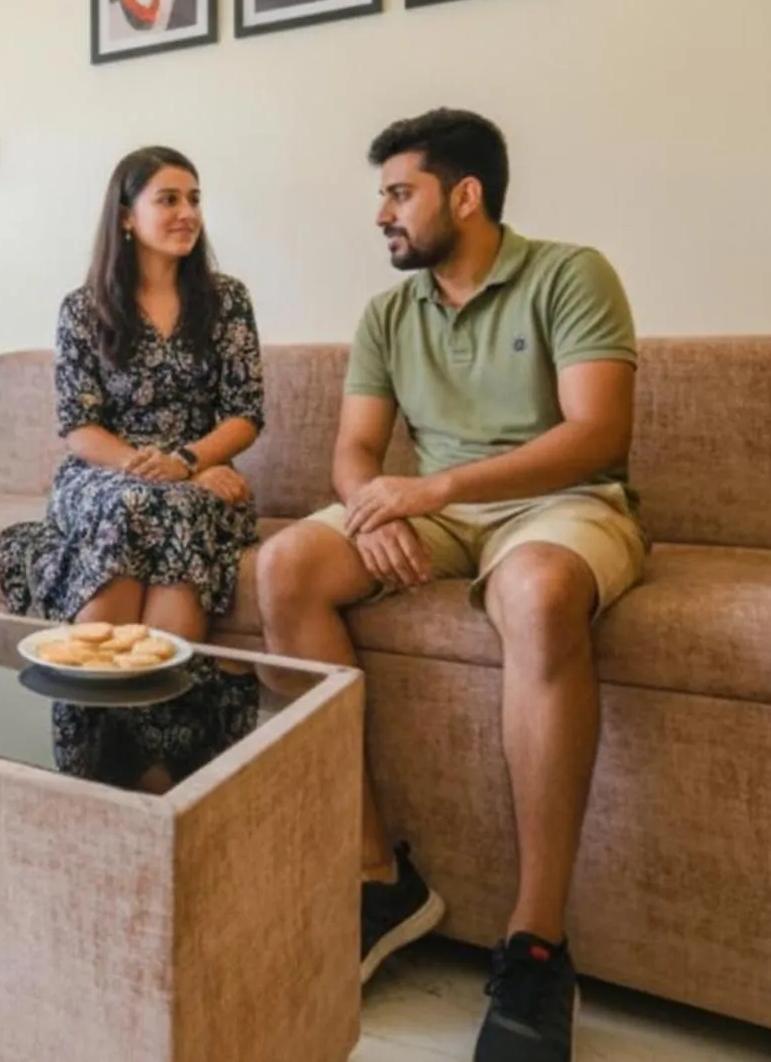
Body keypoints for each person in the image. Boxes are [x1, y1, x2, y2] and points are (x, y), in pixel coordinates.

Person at [256, 110, 646, 1062]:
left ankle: (537, 942)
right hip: (435, 509)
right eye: (382, 195)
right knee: (284, 565)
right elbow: (353, 453)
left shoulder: (571, 274)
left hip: (559, 503)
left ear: (464, 195)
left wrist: (434, 487)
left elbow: (597, 433)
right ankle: (377, 874)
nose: (382, 214)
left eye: (399, 192)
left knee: (541, 595)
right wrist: (377, 508)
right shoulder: (390, 312)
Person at [0, 146, 266, 782]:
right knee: (140, 502)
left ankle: (149, 764)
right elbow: (79, 429)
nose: (187, 213)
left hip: (197, 473)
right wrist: (159, 469)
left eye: (194, 199)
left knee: (180, 507)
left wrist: (191, 461)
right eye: (168, 199)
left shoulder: (227, 301)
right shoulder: (84, 308)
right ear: (126, 216)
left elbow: (246, 414)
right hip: (103, 473)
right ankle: (115, 757)